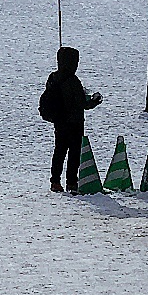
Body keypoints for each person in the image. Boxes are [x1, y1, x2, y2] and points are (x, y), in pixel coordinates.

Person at [39, 46, 103, 193]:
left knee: (59, 151)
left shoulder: (53, 77)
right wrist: (94, 101)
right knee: (74, 153)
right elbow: (81, 103)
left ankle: (55, 181)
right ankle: (72, 183)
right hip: (74, 122)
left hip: (59, 121)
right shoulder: (73, 80)